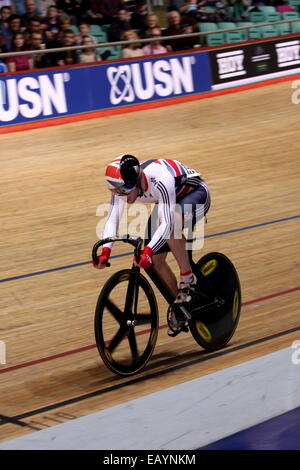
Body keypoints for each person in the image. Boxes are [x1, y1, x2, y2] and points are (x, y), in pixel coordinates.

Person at [93, 155, 211, 337]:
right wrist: (106, 250)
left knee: (171, 226)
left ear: (134, 182)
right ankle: (181, 307)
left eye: (123, 191)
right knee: (155, 261)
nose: (122, 197)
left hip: (195, 194)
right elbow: (112, 218)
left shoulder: (160, 179)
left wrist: (147, 250)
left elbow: (167, 223)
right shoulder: (122, 183)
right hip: (169, 202)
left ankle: (188, 279)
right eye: (117, 192)